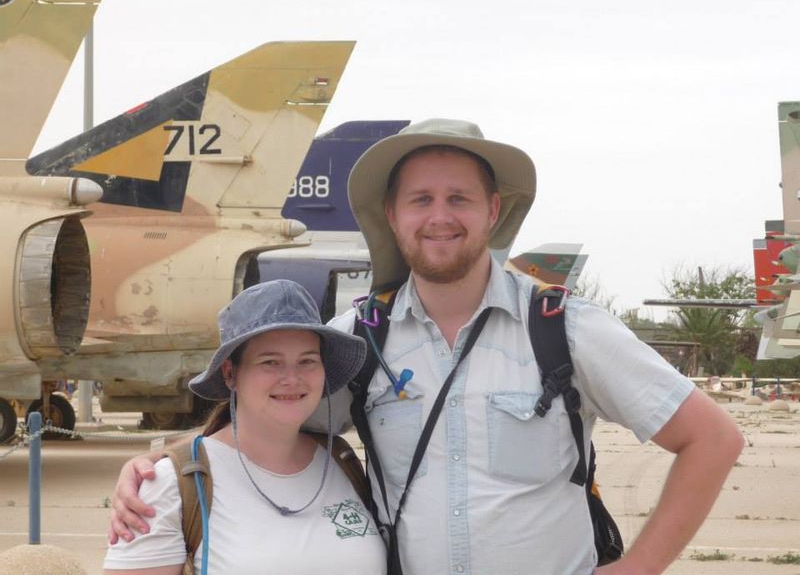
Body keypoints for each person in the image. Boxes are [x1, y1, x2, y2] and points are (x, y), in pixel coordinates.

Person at [110, 119, 744, 575]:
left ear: (492, 211)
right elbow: (267, 418)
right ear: (393, 215)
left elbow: (713, 439)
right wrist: (163, 469)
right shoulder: (357, 340)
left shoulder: (564, 327)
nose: (440, 216)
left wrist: (639, 568)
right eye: (421, 200)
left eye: (459, 198)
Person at [103, 279, 386, 574]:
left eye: (307, 361)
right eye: (270, 362)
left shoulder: (341, 462)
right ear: (230, 372)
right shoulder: (171, 485)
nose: (292, 378)